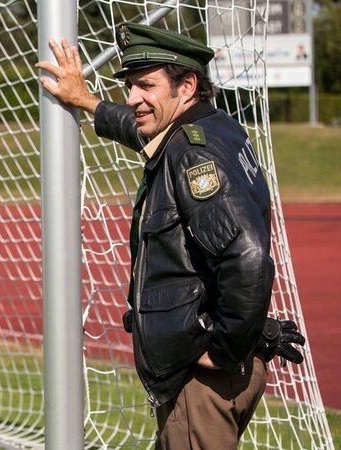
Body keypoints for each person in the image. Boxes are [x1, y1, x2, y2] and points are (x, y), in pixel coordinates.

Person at [36, 23, 305, 448]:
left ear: (187, 84)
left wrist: (221, 351)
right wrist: (85, 100)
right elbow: (142, 127)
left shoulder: (194, 153)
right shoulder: (212, 128)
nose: (133, 97)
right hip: (215, 375)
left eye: (146, 85)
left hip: (203, 381)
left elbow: (248, 259)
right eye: (129, 85)